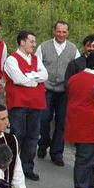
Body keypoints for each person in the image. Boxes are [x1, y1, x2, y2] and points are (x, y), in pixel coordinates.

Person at [4, 30, 48, 182]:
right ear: (22, 42)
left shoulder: (36, 59)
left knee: (33, 136)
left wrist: (29, 77)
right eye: (31, 42)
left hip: (36, 104)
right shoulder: (12, 59)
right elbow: (18, 79)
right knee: (17, 135)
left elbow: (45, 75)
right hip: (19, 103)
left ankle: (26, 167)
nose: (34, 45)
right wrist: (35, 79)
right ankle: (10, 166)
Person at [36, 21, 80, 167]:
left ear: (68, 33)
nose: (61, 34)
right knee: (44, 118)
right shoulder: (44, 46)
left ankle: (57, 153)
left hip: (64, 91)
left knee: (62, 122)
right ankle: (43, 144)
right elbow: (36, 65)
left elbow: (77, 70)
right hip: (47, 89)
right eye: (59, 31)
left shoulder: (73, 49)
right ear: (54, 31)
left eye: (64, 32)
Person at [64, 51, 94, 188]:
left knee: (86, 158)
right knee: (85, 159)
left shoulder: (74, 78)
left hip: (75, 123)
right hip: (90, 126)